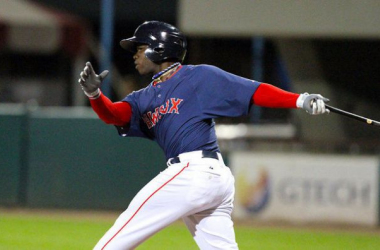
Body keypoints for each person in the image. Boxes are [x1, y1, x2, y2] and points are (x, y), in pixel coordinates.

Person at [79, 21, 329, 250]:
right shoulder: (142, 97)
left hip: (193, 173)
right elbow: (114, 114)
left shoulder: (198, 77)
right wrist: (95, 96)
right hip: (213, 181)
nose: (134, 54)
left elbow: (253, 91)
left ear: (158, 49)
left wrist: (300, 99)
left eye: (139, 47)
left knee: (122, 233)